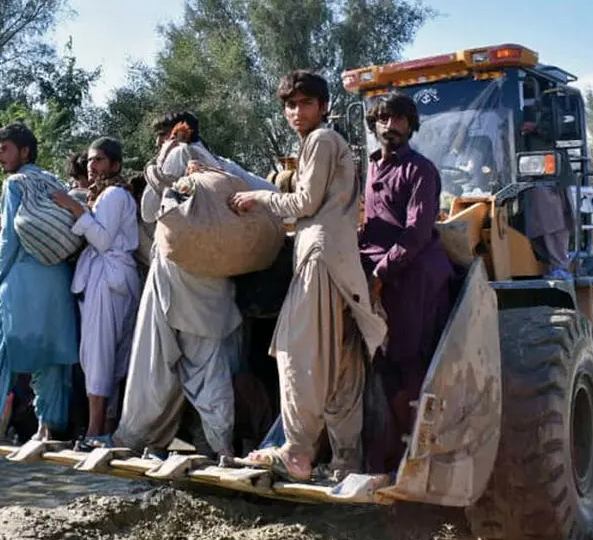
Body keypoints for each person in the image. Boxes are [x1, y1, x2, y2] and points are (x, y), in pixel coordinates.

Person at [228, 70, 388, 483]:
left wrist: (259, 197)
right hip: (340, 262)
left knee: (299, 355)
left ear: (323, 106)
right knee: (342, 367)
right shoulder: (333, 143)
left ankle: (297, 453)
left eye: (305, 103)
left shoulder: (319, 140)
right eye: (290, 104)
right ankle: (347, 461)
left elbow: (304, 202)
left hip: (319, 258)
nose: (296, 112)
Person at [112, 112, 244, 459]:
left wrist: (160, 159)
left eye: (160, 137)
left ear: (170, 136)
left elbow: (152, 210)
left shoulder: (176, 156)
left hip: (178, 273)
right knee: (208, 364)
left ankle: (135, 436)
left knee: (154, 362)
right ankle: (221, 443)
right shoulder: (218, 163)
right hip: (213, 276)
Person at [0, 123, 79, 441]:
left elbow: (9, 240)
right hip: (57, 280)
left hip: (22, 280)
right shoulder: (53, 181)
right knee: (51, 358)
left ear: (24, 151)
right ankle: (50, 427)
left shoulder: (15, 183)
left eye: (5, 149)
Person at [359, 91, 457, 474]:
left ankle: (422, 461)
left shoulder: (421, 171)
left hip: (414, 277)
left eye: (399, 119)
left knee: (412, 362)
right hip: (377, 274)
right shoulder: (368, 168)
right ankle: (382, 456)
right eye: (383, 119)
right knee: (379, 364)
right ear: (373, 126)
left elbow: (416, 233)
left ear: (411, 125)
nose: (390, 126)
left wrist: (381, 273)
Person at [51, 137, 143, 446]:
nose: (92, 166)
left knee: (99, 355)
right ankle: (106, 429)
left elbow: (102, 240)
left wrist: (75, 208)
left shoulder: (114, 195)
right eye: (90, 160)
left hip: (109, 278)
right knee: (109, 356)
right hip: (111, 277)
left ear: (115, 165)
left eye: (99, 160)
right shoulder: (104, 196)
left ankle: (94, 432)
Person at [520, 105, 575, 279]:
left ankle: (559, 266)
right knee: (542, 224)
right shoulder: (501, 114)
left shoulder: (550, 111)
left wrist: (535, 128)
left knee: (554, 223)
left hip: (551, 179)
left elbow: (559, 132)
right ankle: (549, 262)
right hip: (524, 181)